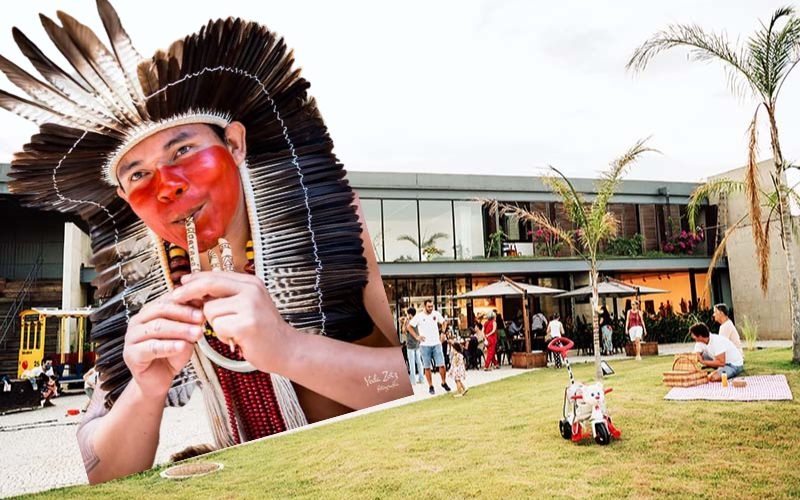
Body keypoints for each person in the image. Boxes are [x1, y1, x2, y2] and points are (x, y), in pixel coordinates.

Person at [0, 2, 411, 484]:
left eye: (184, 150)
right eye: (138, 174)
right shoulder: (145, 283)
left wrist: (288, 349)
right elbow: (102, 470)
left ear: (235, 144)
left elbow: (413, 383)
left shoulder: (329, 222)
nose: (167, 185)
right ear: (126, 199)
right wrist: (146, 392)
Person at [409, 300, 451, 395]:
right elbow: (409, 326)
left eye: (432, 306)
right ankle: (431, 386)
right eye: (429, 307)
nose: (430, 308)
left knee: (442, 364)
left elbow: (444, 322)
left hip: (436, 343)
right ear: (425, 306)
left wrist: (443, 333)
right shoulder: (419, 316)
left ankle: (443, 382)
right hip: (425, 345)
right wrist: (416, 337)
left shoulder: (435, 314)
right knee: (427, 367)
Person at [403, 308, 424, 385]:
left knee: (412, 363)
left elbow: (404, 331)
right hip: (417, 344)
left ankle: (413, 381)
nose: (407, 315)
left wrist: (405, 322)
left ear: (410, 314)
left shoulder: (409, 322)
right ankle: (421, 379)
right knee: (419, 362)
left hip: (410, 345)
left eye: (407, 314)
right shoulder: (417, 320)